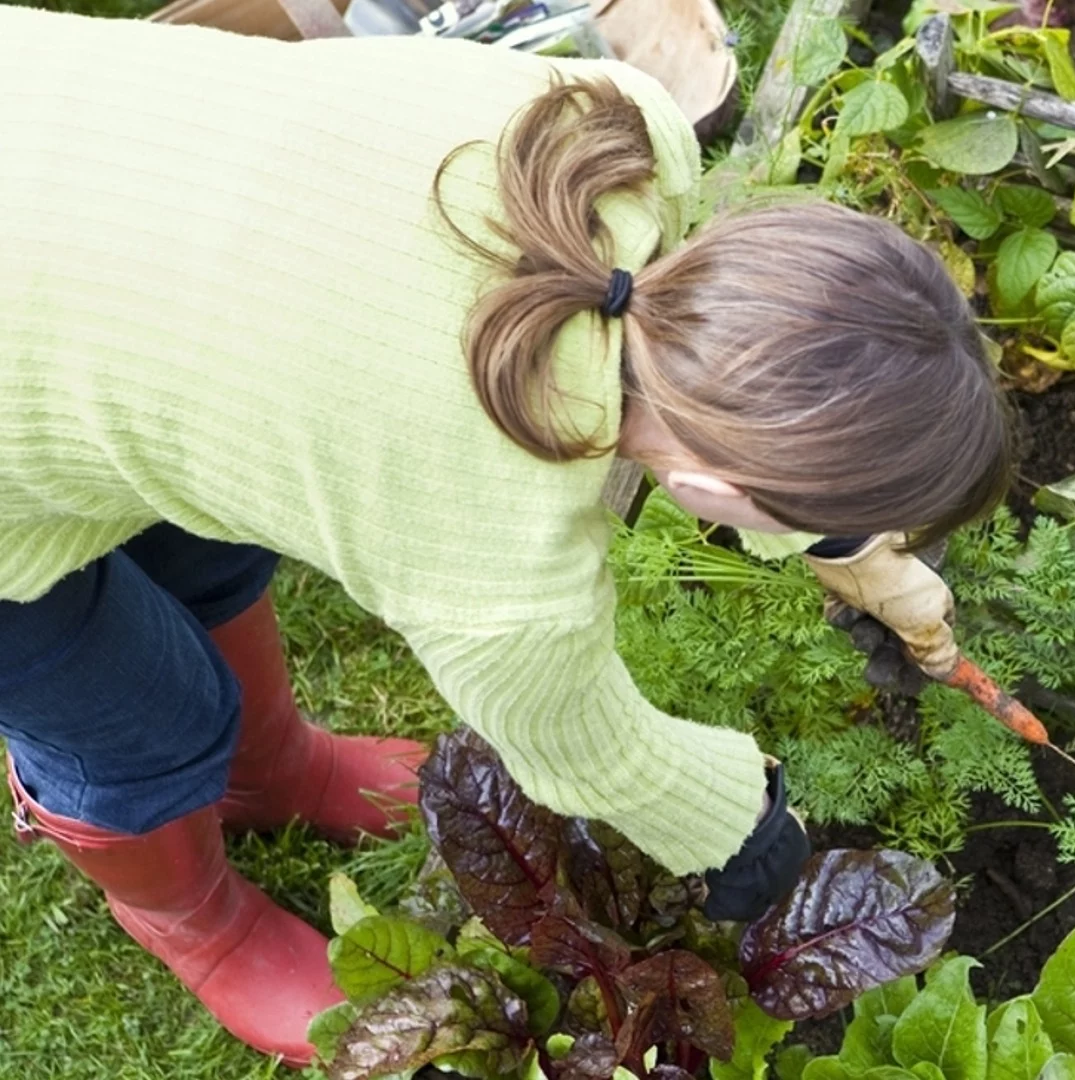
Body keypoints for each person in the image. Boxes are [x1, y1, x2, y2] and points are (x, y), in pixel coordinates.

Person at [0, 5, 1011, 1066]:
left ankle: (272, 772)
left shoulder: (609, 130)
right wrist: (754, 845)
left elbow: (753, 378)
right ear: (711, 484)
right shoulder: (500, 566)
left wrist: (855, 548)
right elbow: (596, 756)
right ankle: (198, 924)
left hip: (59, 139)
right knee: (137, 719)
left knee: (208, 534)